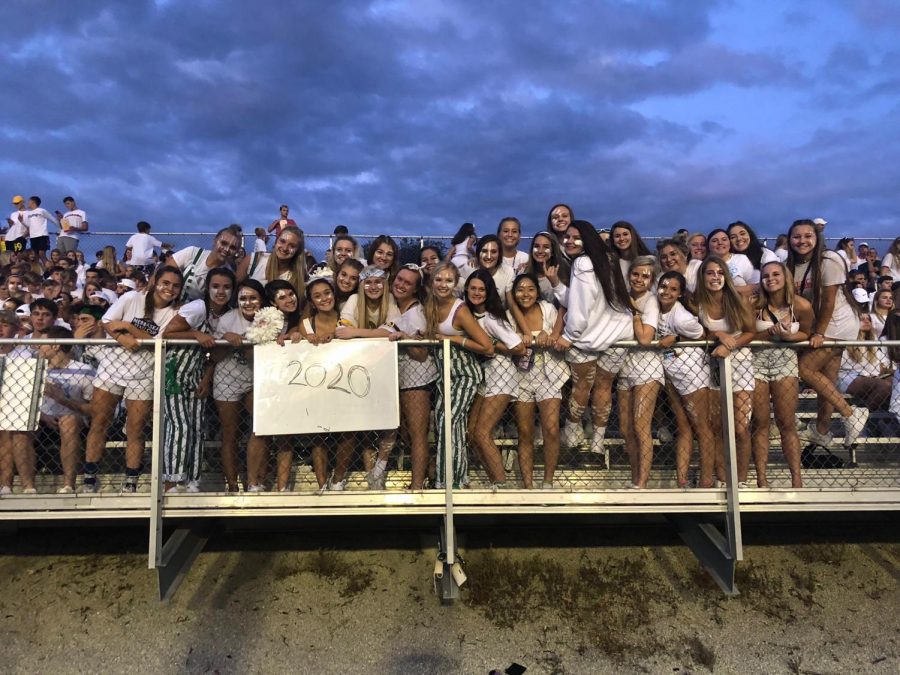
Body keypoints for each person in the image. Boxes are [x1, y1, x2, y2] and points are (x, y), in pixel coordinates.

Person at [83, 266, 184, 493]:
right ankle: (90, 476)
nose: (170, 289)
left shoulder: (174, 313)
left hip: (143, 375)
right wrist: (121, 337)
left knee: (135, 429)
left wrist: (127, 327)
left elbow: (157, 339)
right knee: (99, 422)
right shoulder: (131, 298)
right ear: (155, 281)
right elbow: (108, 322)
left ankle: (131, 481)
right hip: (111, 368)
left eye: (176, 285)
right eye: (165, 283)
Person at [553, 220, 633, 459]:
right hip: (617, 336)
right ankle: (598, 441)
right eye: (566, 237)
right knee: (603, 388)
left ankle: (573, 434)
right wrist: (557, 286)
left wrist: (569, 335)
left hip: (586, 338)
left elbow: (582, 304)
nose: (569, 241)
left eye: (575, 237)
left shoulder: (583, 262)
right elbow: (583, 297)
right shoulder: (607, 260)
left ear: (587, 239)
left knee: (581, 387)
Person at [787, 219, 869, 450]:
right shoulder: (790, 264)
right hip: (821, 324)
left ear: (817, 237)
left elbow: (829, 300)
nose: (802, 241)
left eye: (807, 236)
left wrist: (819, 332)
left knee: (805, 368)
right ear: (789, 239)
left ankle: (850, 412)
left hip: (837, 323)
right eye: (796, 236)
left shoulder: (829, 259)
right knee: (828, 380)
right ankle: (822, 430)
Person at [161, 267, 235, 492]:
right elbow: (167, 334)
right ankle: (172, 480)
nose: (220, 291)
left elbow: (213, 353)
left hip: (196, 373)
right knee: (180, 426)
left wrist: (206, 379)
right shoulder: (198, 307)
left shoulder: (226, 315)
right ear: (207, 288)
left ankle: (192, 481)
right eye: (215, 286)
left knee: (195, 428)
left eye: (226, 287)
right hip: (174, 371)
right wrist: (195, 334)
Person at [424, 262, 493, 488]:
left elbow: (486, 346)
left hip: (465, 373)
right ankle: (459, 479)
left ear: (455, 284)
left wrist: (452, 339)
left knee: (448, 419)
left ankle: (446, 482)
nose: (443, 285)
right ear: (432, 281)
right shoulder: (430, 305)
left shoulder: (459, 309)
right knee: (448, 422)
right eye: (439, 279)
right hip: (445, 374)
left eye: (449, 280)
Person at [751, 262, 813, 488]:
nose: (770, 279)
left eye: (776, 274)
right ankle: (761, 479)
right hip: (756, 362)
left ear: (785, 277)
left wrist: (788, 338)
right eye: (766, 275)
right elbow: (747, 335)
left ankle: (797, 479)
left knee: (786, 422)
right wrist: (770, 333)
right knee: (760, 423)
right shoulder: (754, 304)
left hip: (785, 361)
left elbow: (808, 333)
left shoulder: (801, 305)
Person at [695, 256, 756, 487]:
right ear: (703, 277)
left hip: (740, 364)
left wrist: (731, 345)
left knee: (740, 428)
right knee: (717, 427)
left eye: (719, 273)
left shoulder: (738, 298)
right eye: (710, 273)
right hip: (710, 365)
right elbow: (698, 333)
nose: (715, 277)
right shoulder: (697, 301)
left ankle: (740, 479)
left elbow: (750, 331)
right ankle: (722, 477)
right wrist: (718, 336)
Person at [655, 271, 717, 487]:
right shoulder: (655, 309)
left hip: (692, 374)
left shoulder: (682, 317)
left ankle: (706, 480)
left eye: (673, 289)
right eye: (664, 286)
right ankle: (682, 479)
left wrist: (678, 338)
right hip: (672, 372)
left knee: (702, 427)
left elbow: (703, 335)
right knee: (683, 427)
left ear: (680, 293)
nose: (667, 292)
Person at [465, 269, 526, 489]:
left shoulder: (492, 318)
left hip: (501, 375)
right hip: (485, 376)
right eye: (473, 288)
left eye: (482, 289)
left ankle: (501, 484)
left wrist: (489, 343)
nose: (477, 293)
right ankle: (494, 479)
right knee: (471, 433)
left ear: (489, 292)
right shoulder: (470, 315)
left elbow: (519, 347)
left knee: (483, 432)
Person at [509, 273, 567, 488]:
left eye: (530, 289)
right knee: (525, 432)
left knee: (551, 429)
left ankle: (548, 482)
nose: (525, 294)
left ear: (537, 291)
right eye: (520, 289)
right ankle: (528, 485)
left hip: (548, 373)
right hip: (521, 376)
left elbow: (558, 333)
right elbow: (505, 340)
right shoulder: (509, 314)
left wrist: (547, 334)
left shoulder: (547, 309)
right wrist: (518, 338)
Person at [245, 280, 302, 492]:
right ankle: (253, 483)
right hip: (265, 381)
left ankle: (282, 486)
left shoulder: (296, 318)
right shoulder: (266, 318)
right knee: (260, 431)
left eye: (291, 293)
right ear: (272, 303)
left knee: (286, 432)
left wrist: (296, 335)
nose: (289, 299)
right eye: (282, 297)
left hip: (289, 381)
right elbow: (255, 346)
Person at [212, 279, 267, 492]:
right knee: (230, 433)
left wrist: (247, 345)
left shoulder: (270, 318)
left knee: (260, 428)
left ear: (261, 300)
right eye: (243, 298)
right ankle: (232, 484)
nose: (248, 302)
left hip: (257, 378)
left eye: (253, 298)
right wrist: (226, 338)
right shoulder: (227, 319)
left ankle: (255, 481)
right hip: (228, 378)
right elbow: (213, 355)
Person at [619, 256, 664, 488]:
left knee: (640, 425)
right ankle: (634, 477)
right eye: (636, 274)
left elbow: (645, 338)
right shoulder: (620, 297)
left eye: (645, 276)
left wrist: (635, 315)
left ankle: (642, 482)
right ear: (629, 276)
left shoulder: (651, 301)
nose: (639, 279)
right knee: (626, 429)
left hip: (647, 367)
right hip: (624, 366)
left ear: (651, 280)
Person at [37, 326, 95, 494]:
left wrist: (62, 400)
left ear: (55, 346)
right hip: (40, 418)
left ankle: (68, 484)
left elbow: (94, 409)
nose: (36, 346)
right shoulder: (35, 368)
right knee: (18, 429)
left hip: (74, 419)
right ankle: (25, 488)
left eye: (41, 344)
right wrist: (43, 416)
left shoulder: (84, 370)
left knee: (68, 421)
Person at [837, 313, 893, 411]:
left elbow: (881, 365)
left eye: (869, 319)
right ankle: (866, 415)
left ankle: (886, 420)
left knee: (894, 381)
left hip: (873, 377)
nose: (867, 321)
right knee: (884, 385)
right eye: (862, 319)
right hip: (849, 376)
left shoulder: (874, 341)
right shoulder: (844, 340)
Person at [171, 225, 242, 301]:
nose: (227, 249)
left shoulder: (229, 275)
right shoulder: (193, 253)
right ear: (215, 240)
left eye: (233, 248)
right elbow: (166, 273)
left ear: (236, 252)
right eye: (223, 243)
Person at [238, 225, 308, 297]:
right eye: (282, 241)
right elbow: (234, 289)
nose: (285, 248)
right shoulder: (253, 260)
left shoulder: (299, 275)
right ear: (276, 241)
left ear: (297, 251)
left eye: (292, 246)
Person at [338, 265, 400, 334]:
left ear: (384, 284)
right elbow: (342, 330)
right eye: (368, 282)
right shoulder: (354, 299)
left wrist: (356, 332)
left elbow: (392, 330)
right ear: (362, 286)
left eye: (377, 282)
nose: (373, 287)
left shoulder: (390, 298)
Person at [727, 221, 778, 286]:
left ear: (750, 235)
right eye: (733, 237)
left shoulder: (766, 255)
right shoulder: (729, 259)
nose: (739, 238)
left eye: (742, 234)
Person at [707, 228, 755, 296]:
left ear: (729, 243)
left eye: (724, 239)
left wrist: (725, 291)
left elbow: (756, 286)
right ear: (708, 246)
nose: (720, 243)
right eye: (714, 241)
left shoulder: (742, 259)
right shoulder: (704, 265)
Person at [524, 231, 569, 303]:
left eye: (546, 247)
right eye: (536, 246)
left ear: (553, 252)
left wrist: (555, 282)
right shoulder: (524, 271)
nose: (540, 251)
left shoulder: (563, 272)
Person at [609, 221, 653, 285]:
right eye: (617, 236)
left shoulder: (649, 260)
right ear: (613, 240)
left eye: (625, 234)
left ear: (632, 236)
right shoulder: (611, 263)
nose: (621, 238)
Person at [23, 196, 58, 264]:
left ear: (33, 202)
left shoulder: (42, 210)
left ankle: (49, 270)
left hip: (42, 235)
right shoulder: (28, 213)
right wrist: (21, 221)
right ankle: (38, 271)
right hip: (33, 237)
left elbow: (52, 219)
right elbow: (28, 225)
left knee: (42, 254)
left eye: (29, 201)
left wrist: (61, 227)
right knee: (35, 255)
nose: (28, 203)